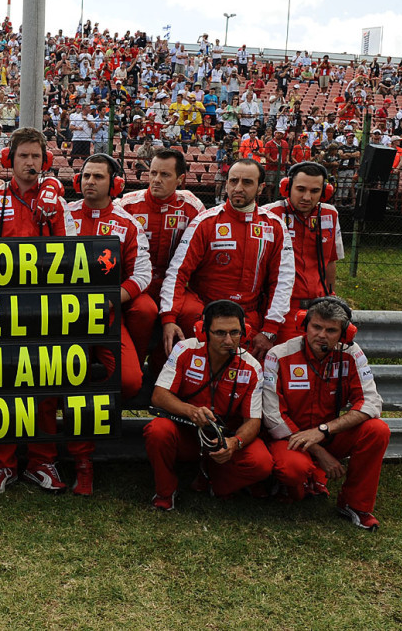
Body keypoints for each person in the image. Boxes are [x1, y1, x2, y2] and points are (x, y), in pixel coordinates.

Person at [0, 127, 76, 496]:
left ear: (45, 160)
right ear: (9, 160)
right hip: (3, 306)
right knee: (2, 383)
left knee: (46, 382)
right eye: (23, 156)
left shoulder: (58, 203)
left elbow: (70, 259)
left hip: (46, 305)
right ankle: (2, 464)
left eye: (36, 156)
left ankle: (41, 460)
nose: (30, 162)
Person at [262, 297, 389, 530]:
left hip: (328, 434)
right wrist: (319, 451)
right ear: (304, 325)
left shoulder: (352, 353)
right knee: (294, 470)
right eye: (316, 327)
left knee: (377, 429)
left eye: (331, 330)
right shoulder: (278, 355)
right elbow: (272, 416)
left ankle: (355, 504)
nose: (322, 335)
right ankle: (301, 479)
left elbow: (371, 403)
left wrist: (324, 431)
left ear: (345, 334)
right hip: (289, 438)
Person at [159, 158, 294, 363]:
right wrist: (168, 318)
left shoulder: (274, 226)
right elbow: (177, 273)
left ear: (261, 188)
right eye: (233, 181)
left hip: (249, 317)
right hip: (204, 312)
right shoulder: (205, 222)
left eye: (247, 182)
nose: (238, 188)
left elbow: (283, 280)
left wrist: (269, 330)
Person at [144, 301, 273, 511]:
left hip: (225, 436)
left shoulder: (252, 367)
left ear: (245, 332)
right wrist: (191, 411)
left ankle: (215, 481)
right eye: (220, 333)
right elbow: (159, 396)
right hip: (188, 432)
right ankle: (165, 492)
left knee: (261, 463)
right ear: (203, 332)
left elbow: (253, 421)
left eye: (235, 332)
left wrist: (235, 443)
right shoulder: (185, 349)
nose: (229, 340)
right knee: (157, 430)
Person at [67, 154, 155, 402]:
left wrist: (110, 300)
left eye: (98, 176)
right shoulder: (63, 216)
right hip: (64, 317)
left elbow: (142, 274)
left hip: (108, 315)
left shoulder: (127, 224)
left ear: (114, 184)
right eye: (85, 176)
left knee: (129, 383)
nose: (90, 181)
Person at [116, 150, 205, 370]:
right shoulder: (127, 205)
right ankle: (133, 367)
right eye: (153, 173)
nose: (156, 180)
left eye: (165, 175)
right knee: (144, 310)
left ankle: (163, 373)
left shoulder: (193, 207)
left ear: (180, 179)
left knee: (193, 311)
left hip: (176, 285)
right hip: (137, 285)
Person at [262, 162, 344, 344]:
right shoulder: (269, 215)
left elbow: (331, 261)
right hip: (281, 310)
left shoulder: (331, 214)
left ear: (325, 192)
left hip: (319, 309)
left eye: (315, 191)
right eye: (300, 189)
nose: (307, 197)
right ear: (287, 187)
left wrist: (331, 296)